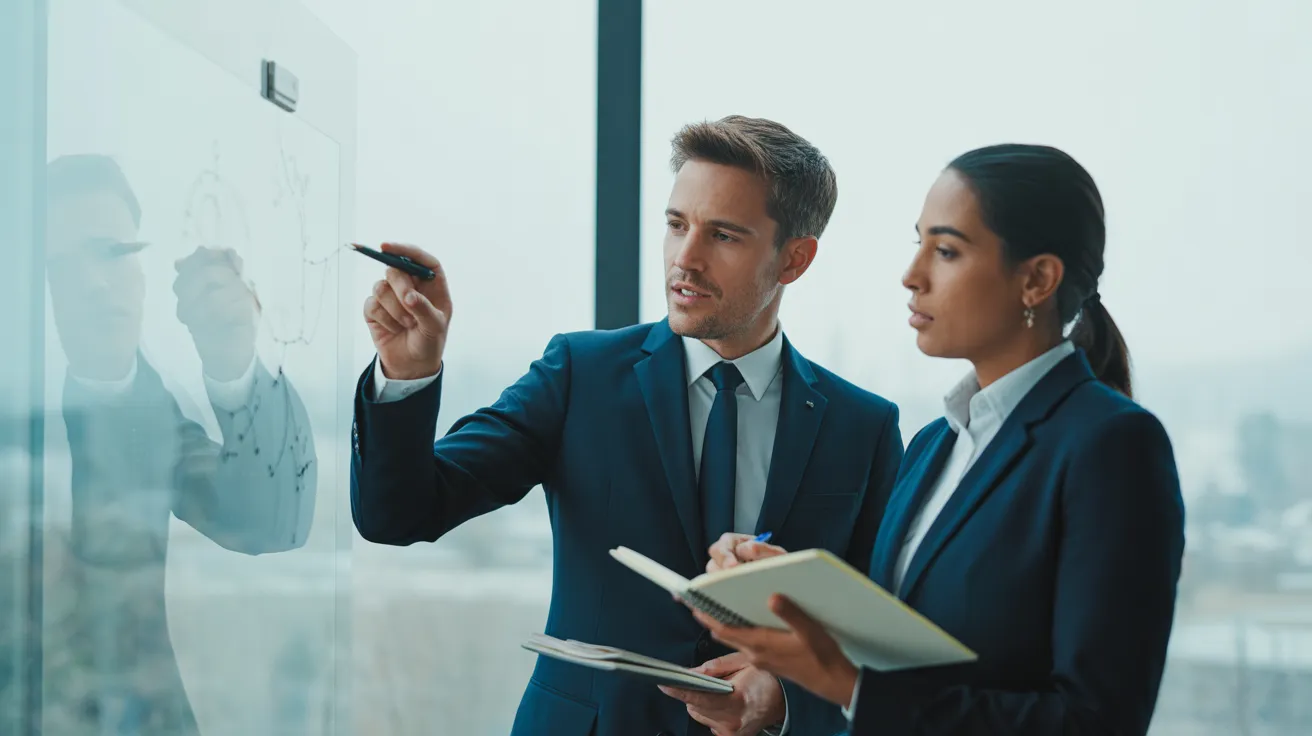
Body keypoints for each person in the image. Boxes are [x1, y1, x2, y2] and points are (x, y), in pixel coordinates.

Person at [350, 116, 904, 736]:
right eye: (676, 225)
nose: (684, 259)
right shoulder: (578, 374)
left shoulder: (864, 427)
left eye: (722, 235)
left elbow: (877, 640)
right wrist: (407, 374)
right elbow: (397, 514)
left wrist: (782, 699)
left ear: (794, 259)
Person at [684, 144, 1186, 735]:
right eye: (917, 242)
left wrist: (848, 685)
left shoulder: (1111, 447)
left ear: (1037, 279)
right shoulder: (933, 446)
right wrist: (799, 623)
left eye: (946, 250)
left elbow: (1094, 722)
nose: (912, 274)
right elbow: (905, 665)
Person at [39, 154, 317, 734]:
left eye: (113, 254)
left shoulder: (147, 412)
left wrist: (233, 359)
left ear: (142, 274)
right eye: (63, 266)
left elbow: (270, 521)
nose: (94, 282)